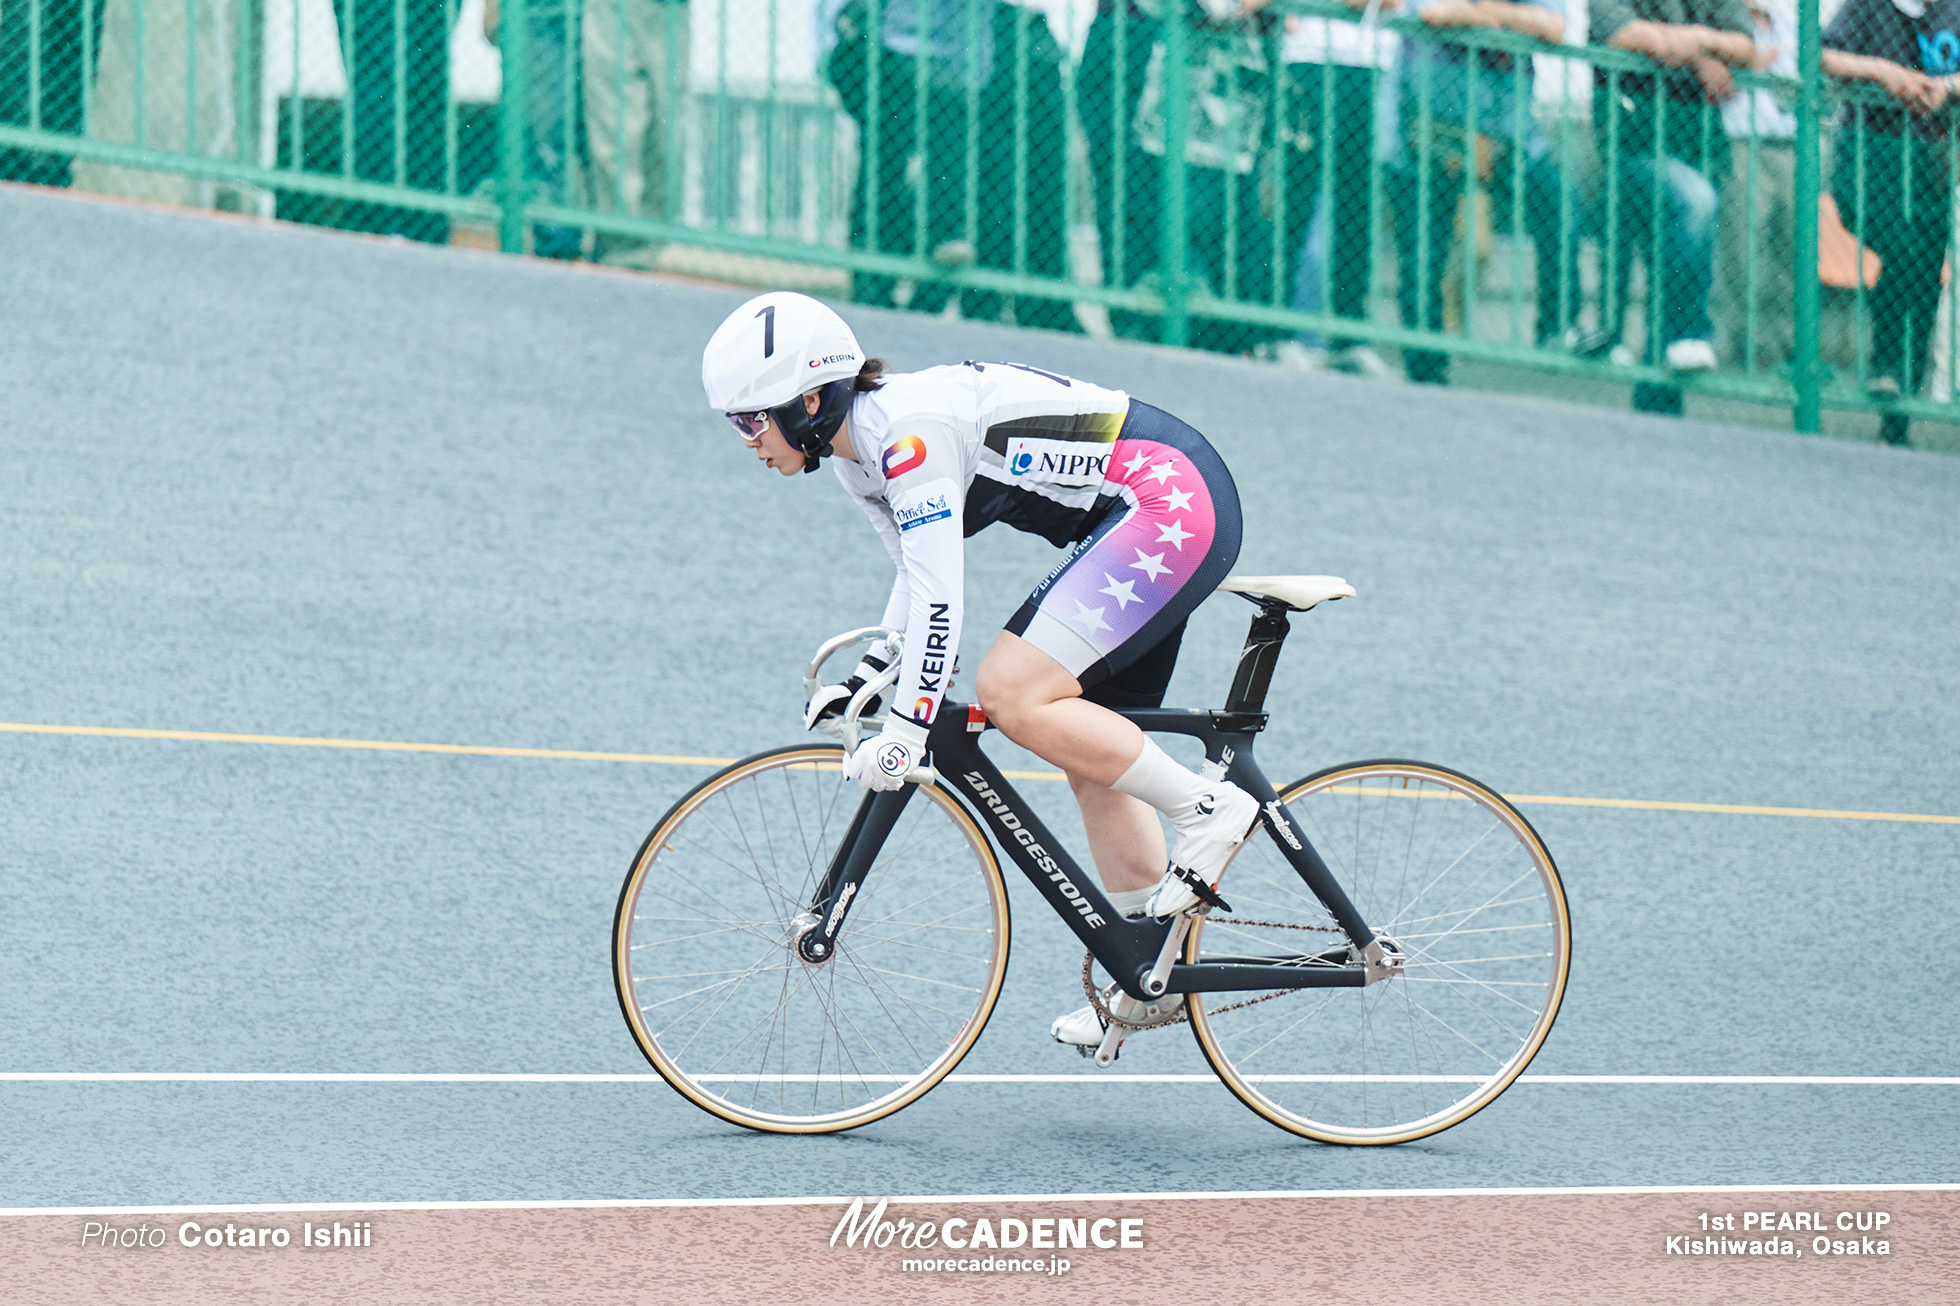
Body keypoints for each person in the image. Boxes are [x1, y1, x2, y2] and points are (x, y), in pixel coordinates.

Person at [701, 291, 1258, 1051]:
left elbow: (942, 600)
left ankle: (1208, 809)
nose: (746, 441)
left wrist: (906, 728)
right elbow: (912, 577)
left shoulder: (907, 438)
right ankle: (1149, 975)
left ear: (806, 400)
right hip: (1136, 514)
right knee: (1089, 752)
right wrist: (873, 668)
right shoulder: (857, 455)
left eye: (749, 420)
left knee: (1009, 691)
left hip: (1165, 502)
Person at [1388, 0, 1575, 385]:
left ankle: (1555, 331)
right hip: (1429, 130)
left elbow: (1555, 26)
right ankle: (1425, 367)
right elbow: (1434, 12)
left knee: (1558, 205)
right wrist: (1508, 25)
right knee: (1424, 251)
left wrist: (1481, 16)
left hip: (1508, 134)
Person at [1590, 0, 1755, 412]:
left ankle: (1658, 398)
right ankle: (1689, 335)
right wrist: (1704, 58)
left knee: (1676, 259)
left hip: (1697, 144)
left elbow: (1747, 47)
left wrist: (1697, 40)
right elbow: (1621, 33)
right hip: (1633, 144)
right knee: (1695, 201)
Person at [1821, 0, 1959, 428]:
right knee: (1904, 250)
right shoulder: (1867, 6)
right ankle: (1889, 368)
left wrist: (1948, 87)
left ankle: (1900, 388)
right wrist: (1885, 74)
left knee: (1926, 265)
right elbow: (1823, 55)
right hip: (1867, 164)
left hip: (1930, 171)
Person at [1272, 0, 1403, 376]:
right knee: (1296, 197)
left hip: (1366, 61)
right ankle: (1281, 331)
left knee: (1355, 205)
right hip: (1309, 57)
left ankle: (1351, 336)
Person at [1711, 0, 1799, 372]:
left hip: (1791, 144)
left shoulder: (1788, 20)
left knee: (1791, 247)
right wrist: (1751, 62)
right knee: (1744, 245)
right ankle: (1749, 345)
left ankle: (1788, 347)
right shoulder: (1725, 18)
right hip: (1742, 141)